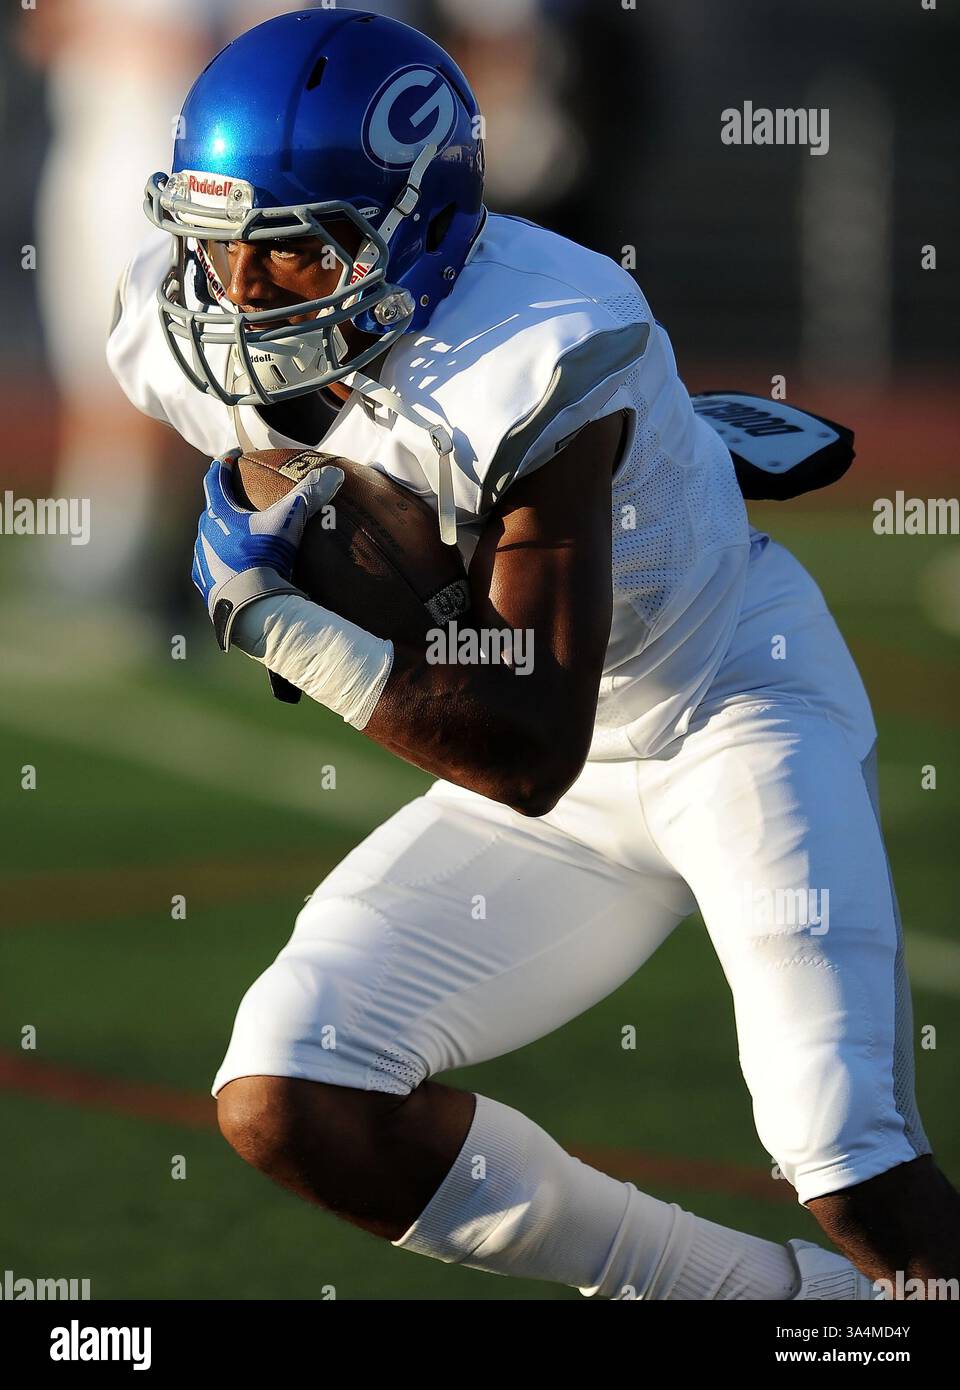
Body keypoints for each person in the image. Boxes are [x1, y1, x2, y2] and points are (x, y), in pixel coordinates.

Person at [107, 8, 958, 1300]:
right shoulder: (186, 329)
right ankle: (784, 1311)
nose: (233, 296)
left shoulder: (543, 347)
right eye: (218, 248)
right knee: (292, 1085)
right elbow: (305, 455)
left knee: (848, 1159)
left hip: (717, 709)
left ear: (409, 236)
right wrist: (297, 493)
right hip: (556, 778)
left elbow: (532, 745)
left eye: (286, 260)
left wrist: (290, 617)